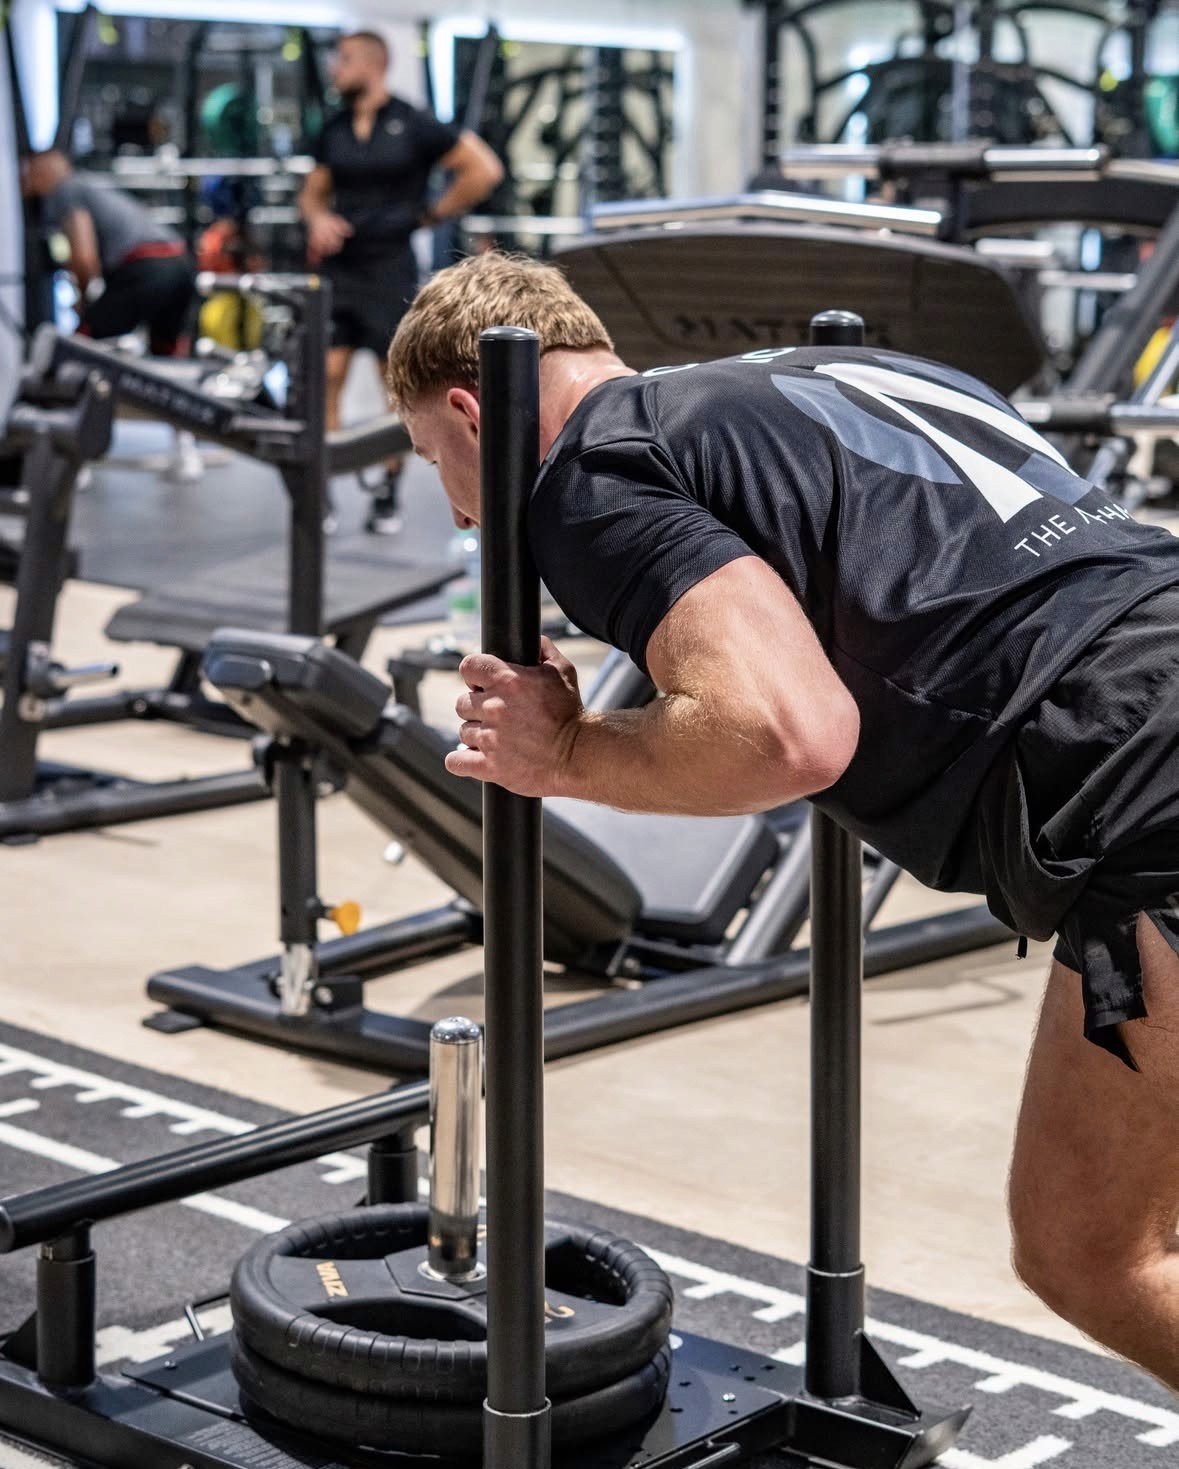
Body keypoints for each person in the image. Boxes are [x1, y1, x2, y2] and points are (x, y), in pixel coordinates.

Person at [387, 251, 1179, 1393]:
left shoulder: (594, 469)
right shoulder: (834, 373)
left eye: (435, 464)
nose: (463, 512)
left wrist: (563, 752)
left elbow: (786, 734)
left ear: (472, 410)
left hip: (1139, 771)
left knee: (1091, 1247)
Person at [300, 30, 502, 534]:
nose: (334, 69)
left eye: (343, 60)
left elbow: (482, 170)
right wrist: (316, 220)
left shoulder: (412, 123)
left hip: (389, 266)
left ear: (374, 64)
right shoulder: (335, 127)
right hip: (339, 267)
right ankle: (324, 487)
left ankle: (387, 491)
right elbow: (312, 193)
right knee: (325, 374)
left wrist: (431, 215)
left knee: (396, 383)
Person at [20, 149, 196, 357]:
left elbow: (84, 256)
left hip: (147, 266)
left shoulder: (66, 189)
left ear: (44, 169)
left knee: (80, 346)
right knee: (166, 356)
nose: (25, 180)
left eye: (28, 171)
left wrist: (84, 300)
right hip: (181, 263)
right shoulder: (89, 186)